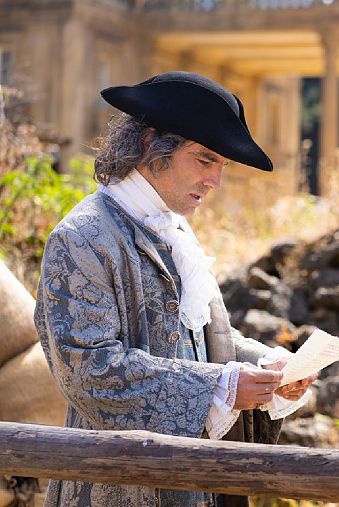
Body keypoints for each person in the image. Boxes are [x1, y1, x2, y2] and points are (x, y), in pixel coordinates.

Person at [34, 71, 316, 506]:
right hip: (116, 486)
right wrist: (219, 386)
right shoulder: (82, 237)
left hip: (196, 480)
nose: (215, 181)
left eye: (222, 165)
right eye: (205, 160)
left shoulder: (175, 230)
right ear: (150, 146)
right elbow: (89, 372)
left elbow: (198, 341)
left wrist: (268, 369)